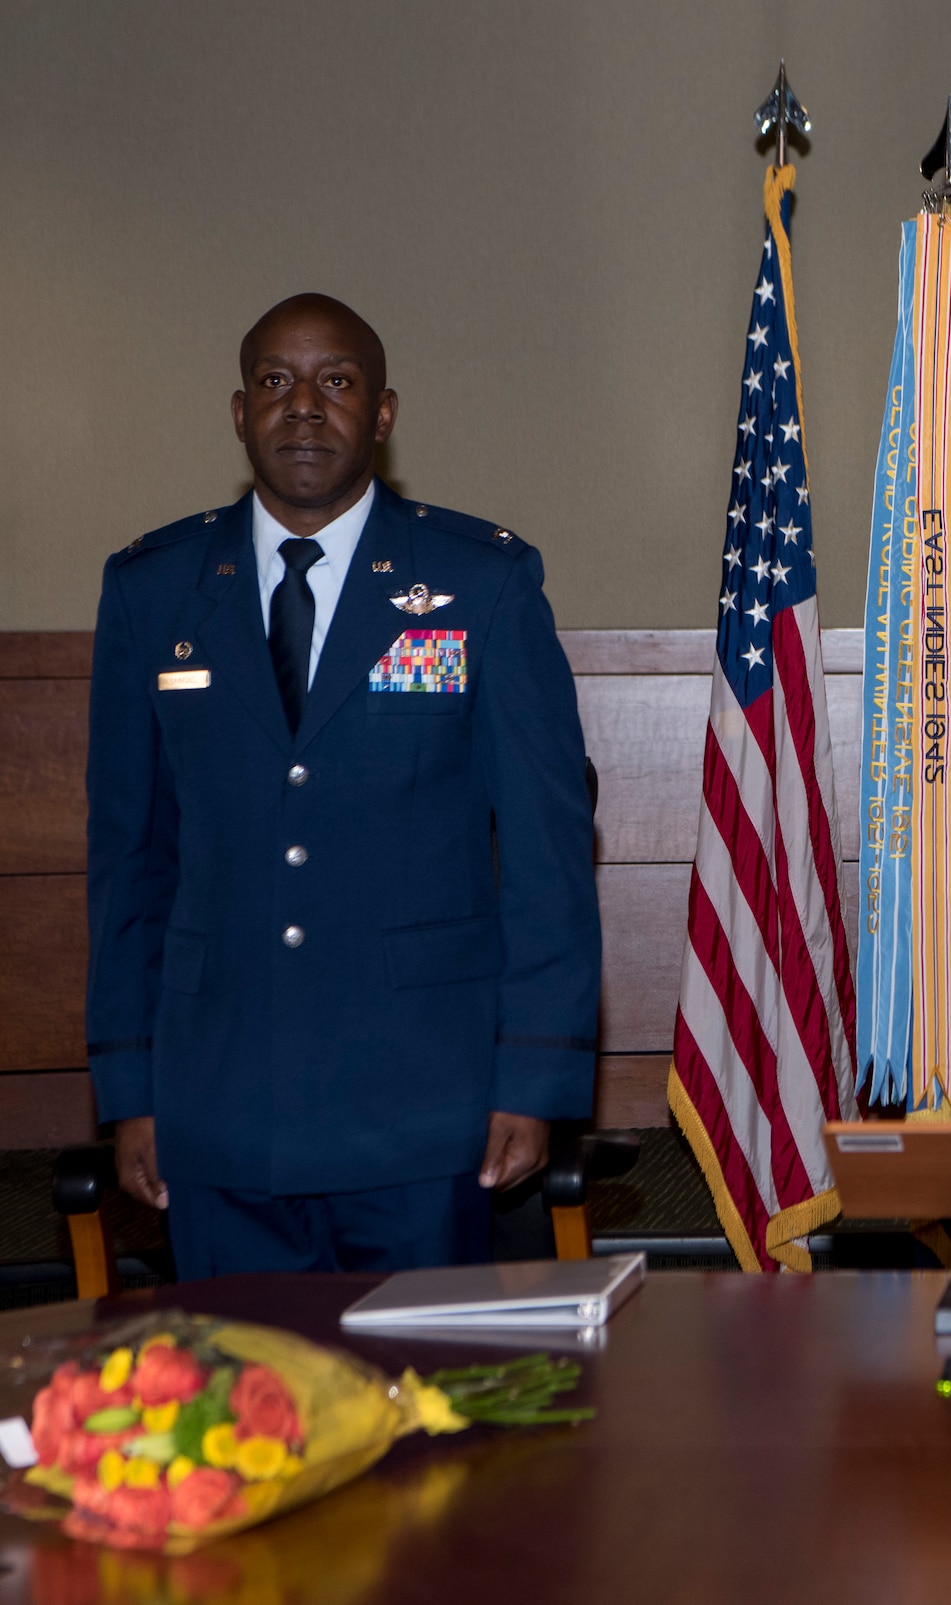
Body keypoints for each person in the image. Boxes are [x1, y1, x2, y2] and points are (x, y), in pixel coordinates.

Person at [85, 293, 601, 1278]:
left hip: (422, 1116)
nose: (305, 407)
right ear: (240, 413)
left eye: (337, 382)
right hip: (217, 1108)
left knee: (425, 1417)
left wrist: (533, 1078)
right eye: (276, 382)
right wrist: (129, 1085)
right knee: (240, 1417)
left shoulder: (477, 584)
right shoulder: (152, 591)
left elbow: (546, 848)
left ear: (384, 412)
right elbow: (127, 857)